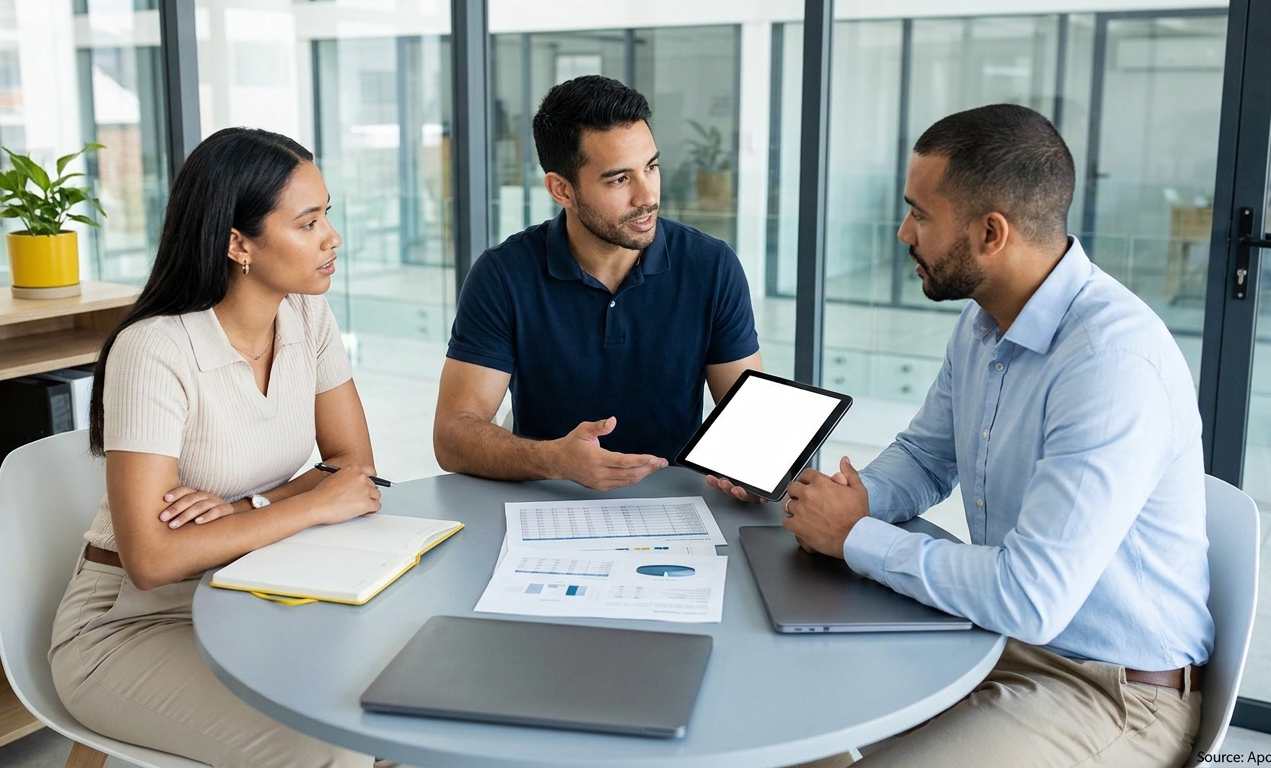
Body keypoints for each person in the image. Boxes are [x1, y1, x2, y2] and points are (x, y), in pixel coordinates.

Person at [783, 104, 1213, 768]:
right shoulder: (985, 323)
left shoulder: (1111, 365)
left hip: (1105, 689)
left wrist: (855, 536)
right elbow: (928, 457)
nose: (903, 233)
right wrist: (851, 498)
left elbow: (1030, 594)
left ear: (991, 233)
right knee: (792, 733)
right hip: (991, 642)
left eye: (920, 215)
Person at [49, 127, 379, 768]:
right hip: (129, 623)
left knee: (398, 713)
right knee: (331, 751)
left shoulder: (306, 317)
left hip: (247, 593)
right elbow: (151, 558)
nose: (331, 238)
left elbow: (353, 470)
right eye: (308, 222)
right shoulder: (155, 351)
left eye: (327, 216)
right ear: (237, 243)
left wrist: (247, 506)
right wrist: (306, 504)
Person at [434, 75, 763, 492]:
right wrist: (555, 460)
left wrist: (753, 474)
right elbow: (452, 436)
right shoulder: (502, 275)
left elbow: (749, 423)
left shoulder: (712, 265)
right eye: (619, 179)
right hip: (548, 503)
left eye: (651, 167)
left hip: (679, 506)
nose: (647, 196)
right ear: (561, 189)